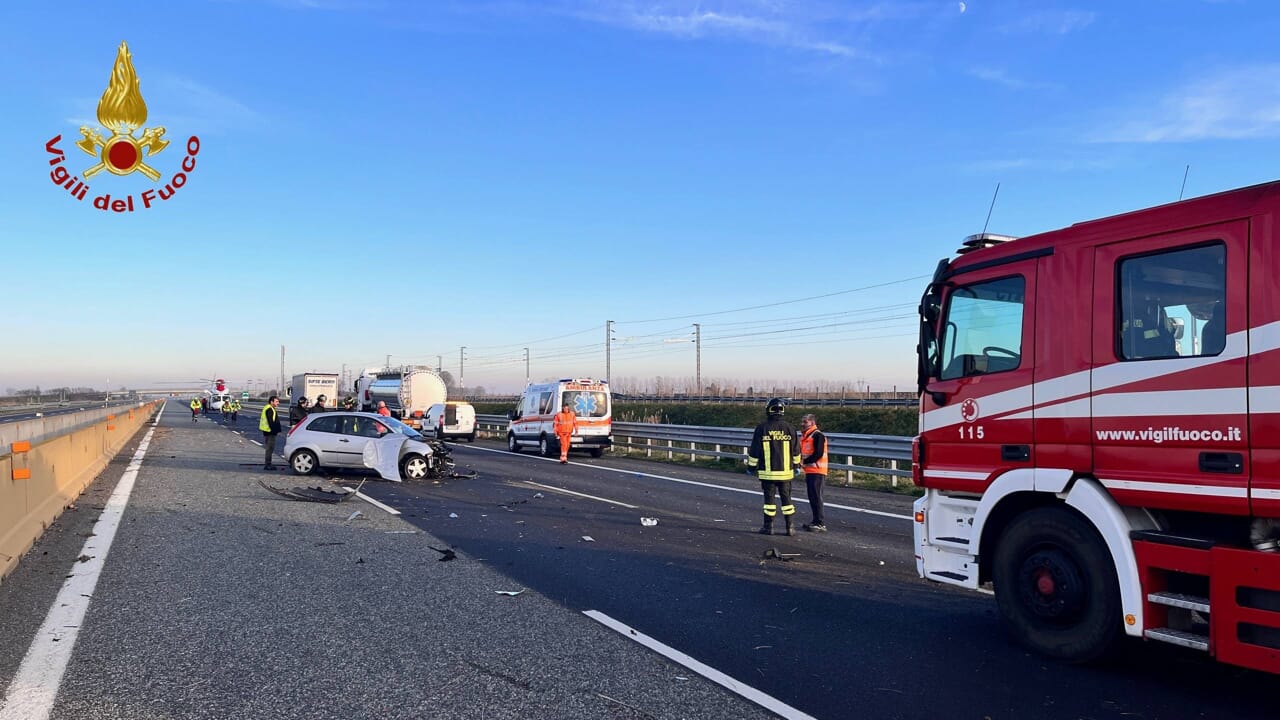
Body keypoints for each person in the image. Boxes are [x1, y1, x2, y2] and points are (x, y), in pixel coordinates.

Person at [747, 397, 801, 536]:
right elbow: (796, 450)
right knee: (787, 500)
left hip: (768, 473)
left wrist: (751, 467)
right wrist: (796, 465)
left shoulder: (762, 428)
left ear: (768, 410)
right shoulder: (790, 428)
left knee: (769, 502)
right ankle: (790, 528)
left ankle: (768, 527)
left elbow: (755, 451)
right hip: (786, 473)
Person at [799, 414, 828, 532]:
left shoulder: (817, 435)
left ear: (812, 422)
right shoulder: (806, 436)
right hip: (810, 470)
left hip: (817, 470)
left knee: (816, 497)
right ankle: (815, 521)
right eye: (802, 422)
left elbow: (818, 453)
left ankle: (820, 522)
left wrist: (804, 461)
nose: (802, 424)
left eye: (805, 422)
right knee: (812, 497)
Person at [260, 395, 282, 470]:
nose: (278, 403)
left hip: (267, 431)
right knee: (270, 449)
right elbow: (271, 422)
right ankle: (268, 464)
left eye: (278, 401)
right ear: (271, 402)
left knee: (269, 448)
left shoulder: (269, 408)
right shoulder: (270, 409)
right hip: (270, 432)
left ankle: (268, 464)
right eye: (276, 401)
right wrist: (275, 430)